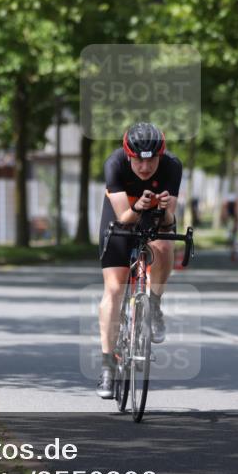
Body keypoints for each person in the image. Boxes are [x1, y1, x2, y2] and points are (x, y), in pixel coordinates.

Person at [96, 122, 182, 399]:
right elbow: (123, 218)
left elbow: (169, 222)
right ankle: (108, 364)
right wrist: (139, 205)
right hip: (121, 215)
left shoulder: (172, 166)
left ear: (161, 156)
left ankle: (154, 304)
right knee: (114, 289)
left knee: (165, 245)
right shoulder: (115, 164)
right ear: (129, 156)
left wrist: (165, 209)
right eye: (138, 162)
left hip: (153, 214)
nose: (145, 169)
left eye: (152, 162)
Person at [220, 192, 238, 261]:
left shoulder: (232, 205)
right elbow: (224, 214)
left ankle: (233, 252)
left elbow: (236, 215)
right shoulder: (227, 205)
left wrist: (236, 225)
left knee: (233, 238)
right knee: (232, 237)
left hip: (231, 220)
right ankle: (232, 249)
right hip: (230, 220)